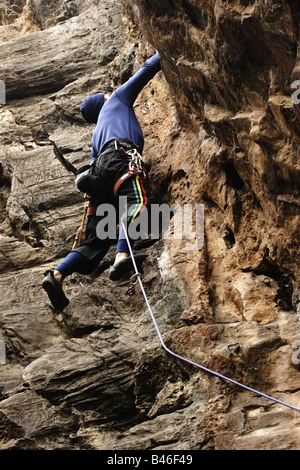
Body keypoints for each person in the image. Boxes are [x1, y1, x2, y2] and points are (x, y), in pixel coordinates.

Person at [42, 52, 161, 310]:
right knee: (137, 203)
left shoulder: (96, 135)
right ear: (103, 99)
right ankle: (121, 257)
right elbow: (148, 68)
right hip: (120, 156)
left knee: (97, 239)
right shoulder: (116, 99)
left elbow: (96, 165)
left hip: (98, 173)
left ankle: (58, 274)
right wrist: (167, 47)